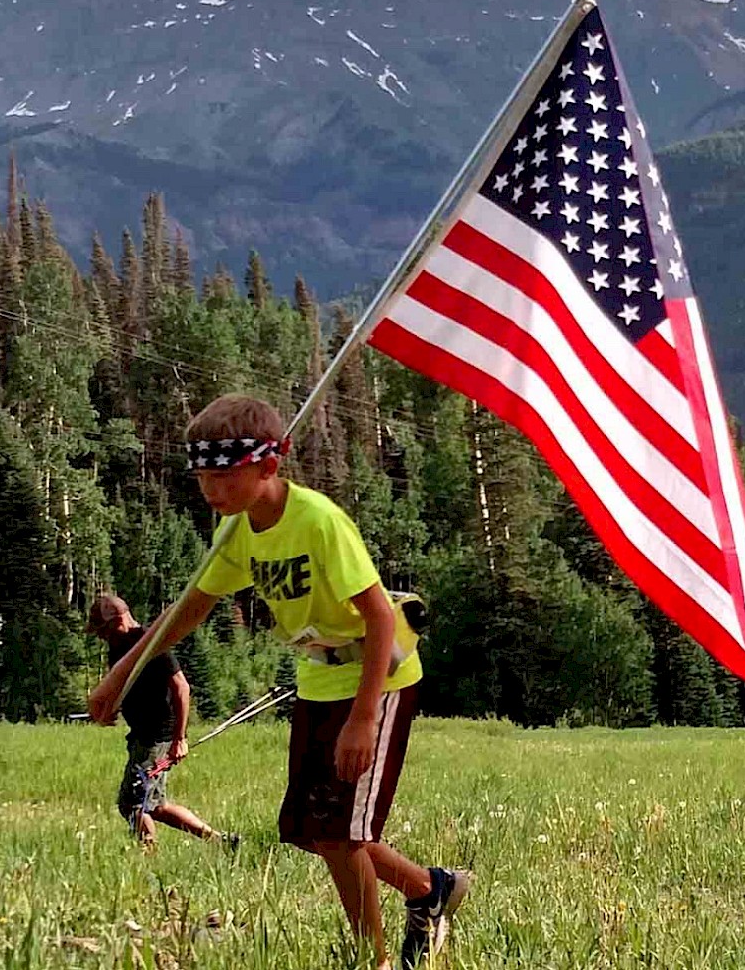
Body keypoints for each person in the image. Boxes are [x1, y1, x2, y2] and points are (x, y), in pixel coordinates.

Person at [89, 393, 471, 969]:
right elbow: (190, 609)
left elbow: (379, 615)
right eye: (202, 480)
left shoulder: (317, 522)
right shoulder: (238, 531)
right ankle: (428, 889)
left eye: (224, 478)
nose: (212, 493)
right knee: (313, 829)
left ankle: (375, 960)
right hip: (318, 680)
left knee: (342, 835)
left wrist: (365, 718)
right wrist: (122, 671)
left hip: (378, 678)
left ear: (268, 467)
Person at [86, 593, 240, 852]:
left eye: (102, 629)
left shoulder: (152, 643)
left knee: (134, 803)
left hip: (156, 737)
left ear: (117, 621)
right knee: (156, 806)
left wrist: (179, 739)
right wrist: (110, 708)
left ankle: (150, 858)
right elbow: (123, 684)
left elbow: (181, 688)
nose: (100, 637)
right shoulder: (117, 647)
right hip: (140, 735)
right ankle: (222, 842)